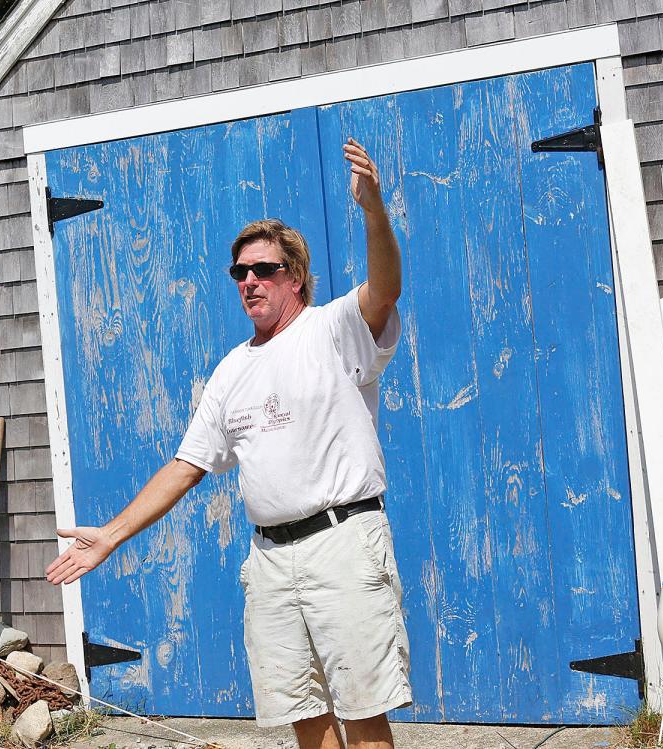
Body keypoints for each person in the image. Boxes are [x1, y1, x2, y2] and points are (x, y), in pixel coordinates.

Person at [46, 138, 409, 749]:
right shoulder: (230, 371)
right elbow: (186, 467)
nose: (249, 280)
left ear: (294, 277)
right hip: (270, 561)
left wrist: (373, 209)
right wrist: (110, 534)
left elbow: (386, 288)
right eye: (239, 271)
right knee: (307, 715)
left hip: (344, 545)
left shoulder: (333, 330)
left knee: (363, 711)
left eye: (263, 269)